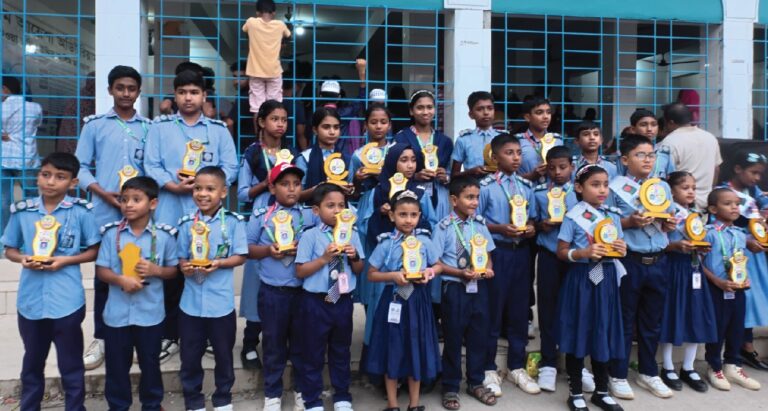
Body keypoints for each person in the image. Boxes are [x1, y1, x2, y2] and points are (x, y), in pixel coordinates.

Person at [144, 69, 239, 361]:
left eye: (194, 92)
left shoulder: (217, 130)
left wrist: (207, 188)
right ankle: (170, 335)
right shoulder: (160, 128)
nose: (188, 98)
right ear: (175, 95)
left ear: (204, 96)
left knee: (207, 270)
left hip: (209, 216)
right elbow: (151, 164)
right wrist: (172, 185)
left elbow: (231, 167)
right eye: (182, 92)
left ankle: (207, 335)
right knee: (173, 273)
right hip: (171, 211)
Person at [1, 152, 100, 411]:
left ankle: (75, 407)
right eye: (45, 175)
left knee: (71, 364)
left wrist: (65, 261)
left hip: (67, 300)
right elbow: (9, 248)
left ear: (73, 182)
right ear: (38, 177)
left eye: (60, 177)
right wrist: (22, 259)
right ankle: (29, 406)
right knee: (32, 362)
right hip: (31, 302)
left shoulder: (80, 212)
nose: (51, 182)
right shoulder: (23, 212)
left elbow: (94, 250)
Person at [74, 65, 151, 370]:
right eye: (120, 88)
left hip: (140, 215)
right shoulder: (95, 126)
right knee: (105, 274)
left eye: (131, 89)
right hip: (106, 211)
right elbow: (80, 166)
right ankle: (103, 337)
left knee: (140, 270)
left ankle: (138, 335)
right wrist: (102, 193)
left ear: (139, 92)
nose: (126, 94)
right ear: (110, 90)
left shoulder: (149, 128)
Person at [95, 176, 179, 410]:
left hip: (150, 315)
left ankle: (152, 404)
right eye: (124, 200)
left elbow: (173, 271)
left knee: (150, 364)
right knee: (116, 366)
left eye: (136, 199)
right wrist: (119, 279)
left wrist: (156, 270)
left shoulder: (164, 237)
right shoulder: (111, 235)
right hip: (117, 315)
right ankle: (118, 405)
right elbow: (101, 270)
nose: (128, 205)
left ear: (153, 203)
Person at [606, 134, 676, 400]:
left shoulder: (662, 187)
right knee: (624, 320)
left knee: (652, 321)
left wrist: (669, 223)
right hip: (629, 260)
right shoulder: (614, 188)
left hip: (658, 259)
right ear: (625, 160)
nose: (647, 160)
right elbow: (605, 225)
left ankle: (648, 371)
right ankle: (618, 374)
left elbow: (669, 218)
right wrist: (628, 223)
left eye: (651, 155)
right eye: (640, 155)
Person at [176, 166, 248, 411]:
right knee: (189, 357)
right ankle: (193, 400)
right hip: (190, 305)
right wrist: (184, 266)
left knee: (224, 355)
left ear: (223, 192)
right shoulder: (186, 223)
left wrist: (219, 263)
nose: (202, 194)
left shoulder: (234, 223)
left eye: (210, 189)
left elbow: (240, 256)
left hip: (221, 305)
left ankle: (223, 399)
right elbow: (181, 257)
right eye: (197, 188)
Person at [556, 164, 627, 411]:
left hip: (606, 278)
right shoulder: (573, 216)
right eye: (595, 185)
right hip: (581, 278)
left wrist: (622, 249)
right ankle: (575, 391)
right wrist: (583, 253)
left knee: (603, 330)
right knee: (579, 330)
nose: (602, 190)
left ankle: (601, 391)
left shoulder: (612, 216)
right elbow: (561, 251)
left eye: (605, 185)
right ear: (579, 187)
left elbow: (618, 244)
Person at [248, 163, 316, 410]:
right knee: (273, 345)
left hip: (303, 292)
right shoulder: (261, 216)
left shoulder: (310, 216)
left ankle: (301, 390)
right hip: (273, 292)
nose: (292, 189)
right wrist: (268, 250)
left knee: (302, 344)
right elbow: (247, 248)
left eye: (296, 184)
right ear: (272, 188)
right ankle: (272, 394)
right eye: (285, 184)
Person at [366, 190, 443, 411]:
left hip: (418, 302)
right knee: (392, 347)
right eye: (402, 214)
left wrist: (429, 272)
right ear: (392, 216)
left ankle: (414, 403)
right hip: (393, 300)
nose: (408, 220)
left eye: (413, 215)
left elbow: (438, 265)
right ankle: (392, 404)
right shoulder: (386, 243)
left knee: (415, 346)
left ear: (419, 216)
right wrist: (392, 276)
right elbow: (371, 274)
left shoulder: (424, 241)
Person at [477, 133, 539, 397]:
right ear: (494, 157)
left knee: (518, 309)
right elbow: (475, 222)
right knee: (493, 309)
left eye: (518, 153)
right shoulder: (485, 187)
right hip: (497, 252)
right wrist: (500, 228)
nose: (515, 158)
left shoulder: (526, 187)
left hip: (521, 252)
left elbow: (533, 219)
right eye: (509, 153)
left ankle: (516, 365)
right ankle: (488, 367)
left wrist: (530, 229)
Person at [295, 183, 366, 411]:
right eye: (330, 205)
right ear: (316, 210)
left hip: (342, 301)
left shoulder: (352, 234)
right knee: (312, 352)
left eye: (341, 205)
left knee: (341, 350)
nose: (337, 211)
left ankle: (342, 396)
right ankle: (312, 399)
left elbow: (359, 269)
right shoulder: (310, 236)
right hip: (316, 302)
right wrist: (324, 258)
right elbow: (300, 271)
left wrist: (354, 257)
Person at [433, 176, 498, 409]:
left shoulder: (479, 225)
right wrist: (460, 273)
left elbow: (488, 253)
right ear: (454, 200)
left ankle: (475, 381)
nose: (475, 202)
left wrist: (487, 268)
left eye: (477, 197)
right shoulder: (442, 227)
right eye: (469, 197)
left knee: (478, 335)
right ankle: (451, 385)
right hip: (454, 288)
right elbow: (436, 262)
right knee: (453, 336)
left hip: (478, 287)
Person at [533, 146, 592, 393]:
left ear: (572, 166)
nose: (557, 172)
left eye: (563, 167)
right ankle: (548, 363)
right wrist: (541, 225)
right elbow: (530, 222)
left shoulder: (582, 194)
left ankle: (577, 364)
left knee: (579, 310)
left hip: (578, 260)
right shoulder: (538, 193)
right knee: (548, 309)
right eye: (552, 168)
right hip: (549, 256)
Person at [658, 171, 716, 393]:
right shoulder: (668, 213)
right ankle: (668, 367)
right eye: (685, 188)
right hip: (674, 268)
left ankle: (689, 367)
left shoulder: (695, 214)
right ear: (671, 191)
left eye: (693, 188)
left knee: (696, 315)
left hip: (694, 268)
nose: (691, 192)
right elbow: (661, 243)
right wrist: (676, 246)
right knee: (672, 313)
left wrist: (701, 247)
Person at [701, 188, 761, 391]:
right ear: (713, 209)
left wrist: (745, 278)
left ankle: (732, 365)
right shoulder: (708, 233)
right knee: (718, 328)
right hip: (717, 289)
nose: (734, 207)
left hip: (738, 288)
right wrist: (717, 281)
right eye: (728, 204)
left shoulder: (740, 234)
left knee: (737, 327)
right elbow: (697, 263)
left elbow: (740, 261)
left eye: (737, 203)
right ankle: (714, 366)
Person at [716, 152, 768, 371]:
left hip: (755, 254)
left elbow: (763, 204)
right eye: (753, 172)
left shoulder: (753, 191)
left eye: (760, 174)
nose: (757, 178)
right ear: (737, 169)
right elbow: (717, 225)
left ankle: (746, 345)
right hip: (736, 252)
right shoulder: (722, 193)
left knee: (752, 300)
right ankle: (739, 348)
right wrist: (746, 240)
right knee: (742, 299)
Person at [394, 90, 453, 220]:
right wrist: (414, 176)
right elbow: (393, 172)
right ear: (411, 111)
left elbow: (451, 172)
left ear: (434, 110)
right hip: (410, 194)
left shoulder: (445, 141)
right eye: (420, 108)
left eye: (429, 107)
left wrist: (445, 177)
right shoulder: (401, 138)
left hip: (439, 195)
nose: (425, 112)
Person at [657, 103, 722, 209]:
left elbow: (663, 176)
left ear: (670, 122)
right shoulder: (710, 138)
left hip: (682, 207)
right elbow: (716, 169)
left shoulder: (670, 142)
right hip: (706, 203)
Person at [238, 99, 297, 211]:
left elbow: (300, 189)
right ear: (262, 122)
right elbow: (242, 194)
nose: (280, 124)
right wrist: (265, 183)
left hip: (288, 214)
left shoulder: (292, 153)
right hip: (258, 214)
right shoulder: (252, 153)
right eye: (274, 119)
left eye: (284, 120)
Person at [1, 75, 42, 236]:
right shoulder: (35, 108)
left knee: (3, 200)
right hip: (27, 158)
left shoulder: (2, 108)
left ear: (5, 89)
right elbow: (37, 124)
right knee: (31, 198)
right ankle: (32, 234)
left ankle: (5, 238)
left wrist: (6, 135)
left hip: (4, 157)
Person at [242, 0, 291, 116]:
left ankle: (258, 128)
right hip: (274, 71)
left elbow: (244, 30)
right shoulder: (280, 25)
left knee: (256, 108)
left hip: (255, 71)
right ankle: (273, 128)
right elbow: (289, 35)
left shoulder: (251, 22)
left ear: (257, 12)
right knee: (274, 107)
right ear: (274, 13)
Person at [296, 107, 354, 202]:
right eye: (326, 127)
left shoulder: (346, 159)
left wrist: (350, 189)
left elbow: (351, 192)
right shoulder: (304, 158)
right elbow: (297, 196)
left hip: (339, 210)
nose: (332, 132)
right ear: (315, 130)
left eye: (336, 127)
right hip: (311, 210)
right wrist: (321, 188)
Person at [316, 59, 367, 155]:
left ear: (320, 96)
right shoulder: (346, 112)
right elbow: (361, 99)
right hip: (342, 155)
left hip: (321, 154)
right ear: (339, 97)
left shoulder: (316, 114)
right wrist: (362, 73)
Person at [451, 91, 500, 179]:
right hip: (473, 185)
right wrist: (470, 172)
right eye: (480, 109)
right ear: (471, 115)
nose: (486, 112)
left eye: (490, 108)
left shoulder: (503, 138)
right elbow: (454, 175)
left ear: (494, 111)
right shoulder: (463, 140)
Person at [515, 97, 563, 183]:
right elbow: (509, 176)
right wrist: (530, 176)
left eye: (548, 112)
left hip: (553, 190)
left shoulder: (557, 140)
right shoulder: (517, 141)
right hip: (526, 189)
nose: (545, 117)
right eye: (539, 112)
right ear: (527, 117)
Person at [622, 109, 675, 180]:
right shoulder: (627, 150)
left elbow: (670, 177)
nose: (649, 129)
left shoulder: (663, 152)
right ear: (633, 129)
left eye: (654, 125)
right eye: (643, 125)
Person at [225, 60, 256, 151]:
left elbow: (229, 123)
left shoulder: (244, 96)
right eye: (235, 77)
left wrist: (229, 148)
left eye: (242, 77)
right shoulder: (253, 94)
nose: (237, 81)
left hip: (244, 145)